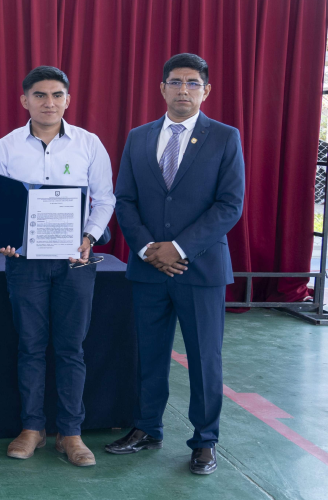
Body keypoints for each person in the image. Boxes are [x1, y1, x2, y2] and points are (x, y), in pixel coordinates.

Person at [107, 53, 245, 475]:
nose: (183, 90)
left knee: (205, 358)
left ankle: (205, 440)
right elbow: (125, 199)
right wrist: (149, 247)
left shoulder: (224, 137)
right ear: (162, 88)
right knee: (149, 354)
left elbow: (229, 204)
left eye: (192, 83)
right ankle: (147, 427)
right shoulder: (139, 136)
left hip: (199, 269)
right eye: (175, 82)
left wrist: (179, 248)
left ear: (205, 90)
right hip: (148, 267)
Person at [0, 66, 116, 467]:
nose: (49, 103)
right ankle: (32, 429)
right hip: (25, 263)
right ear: (25, 100)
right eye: (40, 95)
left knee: (71, 348)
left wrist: (89, 238)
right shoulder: (7, 146)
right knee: (29, 347)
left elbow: (105, 199)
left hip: (74, 262)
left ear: (68, 99)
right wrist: (4, 241)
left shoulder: (89, 144)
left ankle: (71, 433)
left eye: (57, 95)